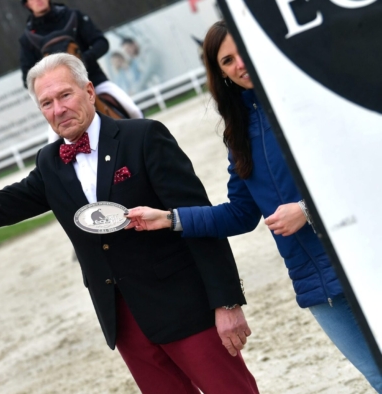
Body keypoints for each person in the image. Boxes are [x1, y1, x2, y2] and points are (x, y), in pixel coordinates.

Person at [0, 53, 259, 393]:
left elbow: (196, 219)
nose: (58, 109)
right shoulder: (49, 163)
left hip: (188, 310)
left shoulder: (144, 137)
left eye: (65, 95)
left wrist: (226, 301)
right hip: (125, 323)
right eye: (47, 103)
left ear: (89, 92)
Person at [125, 21, 382, 392]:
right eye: (227, 60)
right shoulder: (240, 133)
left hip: (365, 259)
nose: (239, 64)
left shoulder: (311, 96)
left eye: (241, 51)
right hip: (315, 283)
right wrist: (169, 218)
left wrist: (306, 210)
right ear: (221, 73)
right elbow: (240, 214)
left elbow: (366, 166)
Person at [18, 0, 143, 132]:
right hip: (59, 97)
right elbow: (27, 77)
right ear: (27, 4)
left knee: (133, 111)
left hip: (95, 82)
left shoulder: (74, 16)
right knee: (53, 140)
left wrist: (82, 60)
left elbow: (101, 42)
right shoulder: (27, 39)